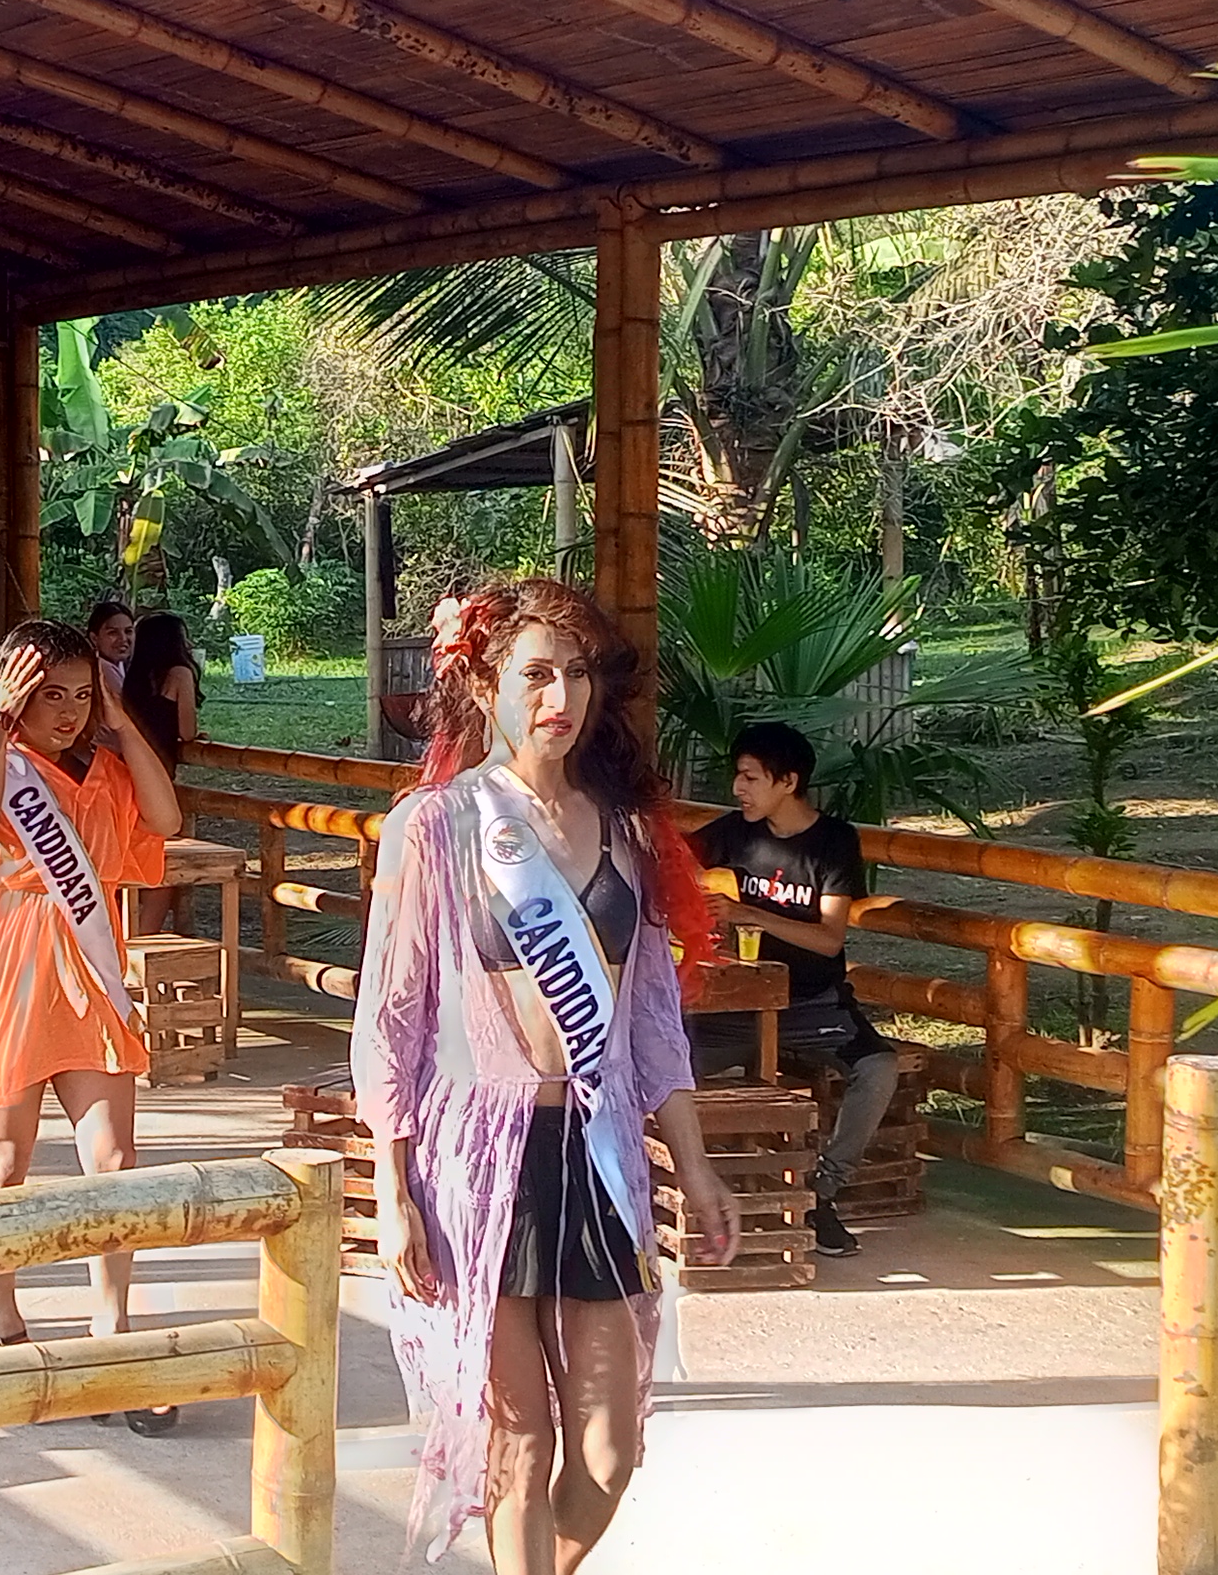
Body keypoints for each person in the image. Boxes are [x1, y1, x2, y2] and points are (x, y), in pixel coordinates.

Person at [356, 577, 737, 1574]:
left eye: (577, 673)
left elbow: (651, 1019)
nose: (560, 697)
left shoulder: (628, 831)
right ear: (484, 686)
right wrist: (392, 1192)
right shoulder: (436, 827)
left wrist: (695, 1167)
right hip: (479, 1162)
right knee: (518, 1443)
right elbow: (389, 1017)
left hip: (598, 1151)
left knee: (609, 1451)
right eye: (535, 674)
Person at [0, 618, 186, 1430]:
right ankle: (4, 1320)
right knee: (5, 1162)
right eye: (50, 695)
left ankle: (112, 1335)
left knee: (114, 1162)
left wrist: (123, 722)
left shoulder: (105, 771)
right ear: (14, 693)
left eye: (81, 694)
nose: (69, 711)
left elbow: (165, 821)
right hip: (12, 974)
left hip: (91, 973)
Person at [688, 722, 897, 1261]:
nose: (738, 789)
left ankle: (821, 1193)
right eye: (738, 776)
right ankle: (694, 1191)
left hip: (813, 1004)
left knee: (879, 1069)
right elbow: (669, 863)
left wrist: (750, 913)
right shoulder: (734, 831)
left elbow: (829, 940)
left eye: (749, 777)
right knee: (665, 1066)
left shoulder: (834, 842)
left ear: (788, 781)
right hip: (739, 1008)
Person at [118, 611, 202, 935]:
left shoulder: (133, 675)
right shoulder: (179, 673)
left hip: (125, 770)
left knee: (125, 857)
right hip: (158, 773)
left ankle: (122, 935)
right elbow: (187, 730)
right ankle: (142, 938)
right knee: (158, 867)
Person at [86, 599, 135, 698]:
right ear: (94, 638)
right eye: (113, 633)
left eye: (128, 631)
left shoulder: (122, 665)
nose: (123, 639)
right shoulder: (99, 669)